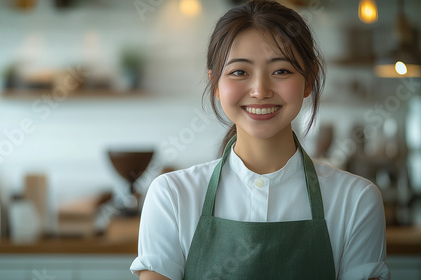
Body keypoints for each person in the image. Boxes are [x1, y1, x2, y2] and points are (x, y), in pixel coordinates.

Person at [130, 1, 390, 279]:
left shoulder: (357, 200)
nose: (260, 90)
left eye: (281, 71)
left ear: (309, 80)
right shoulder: (172, 196)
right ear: (216, 83)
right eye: (240, 72)